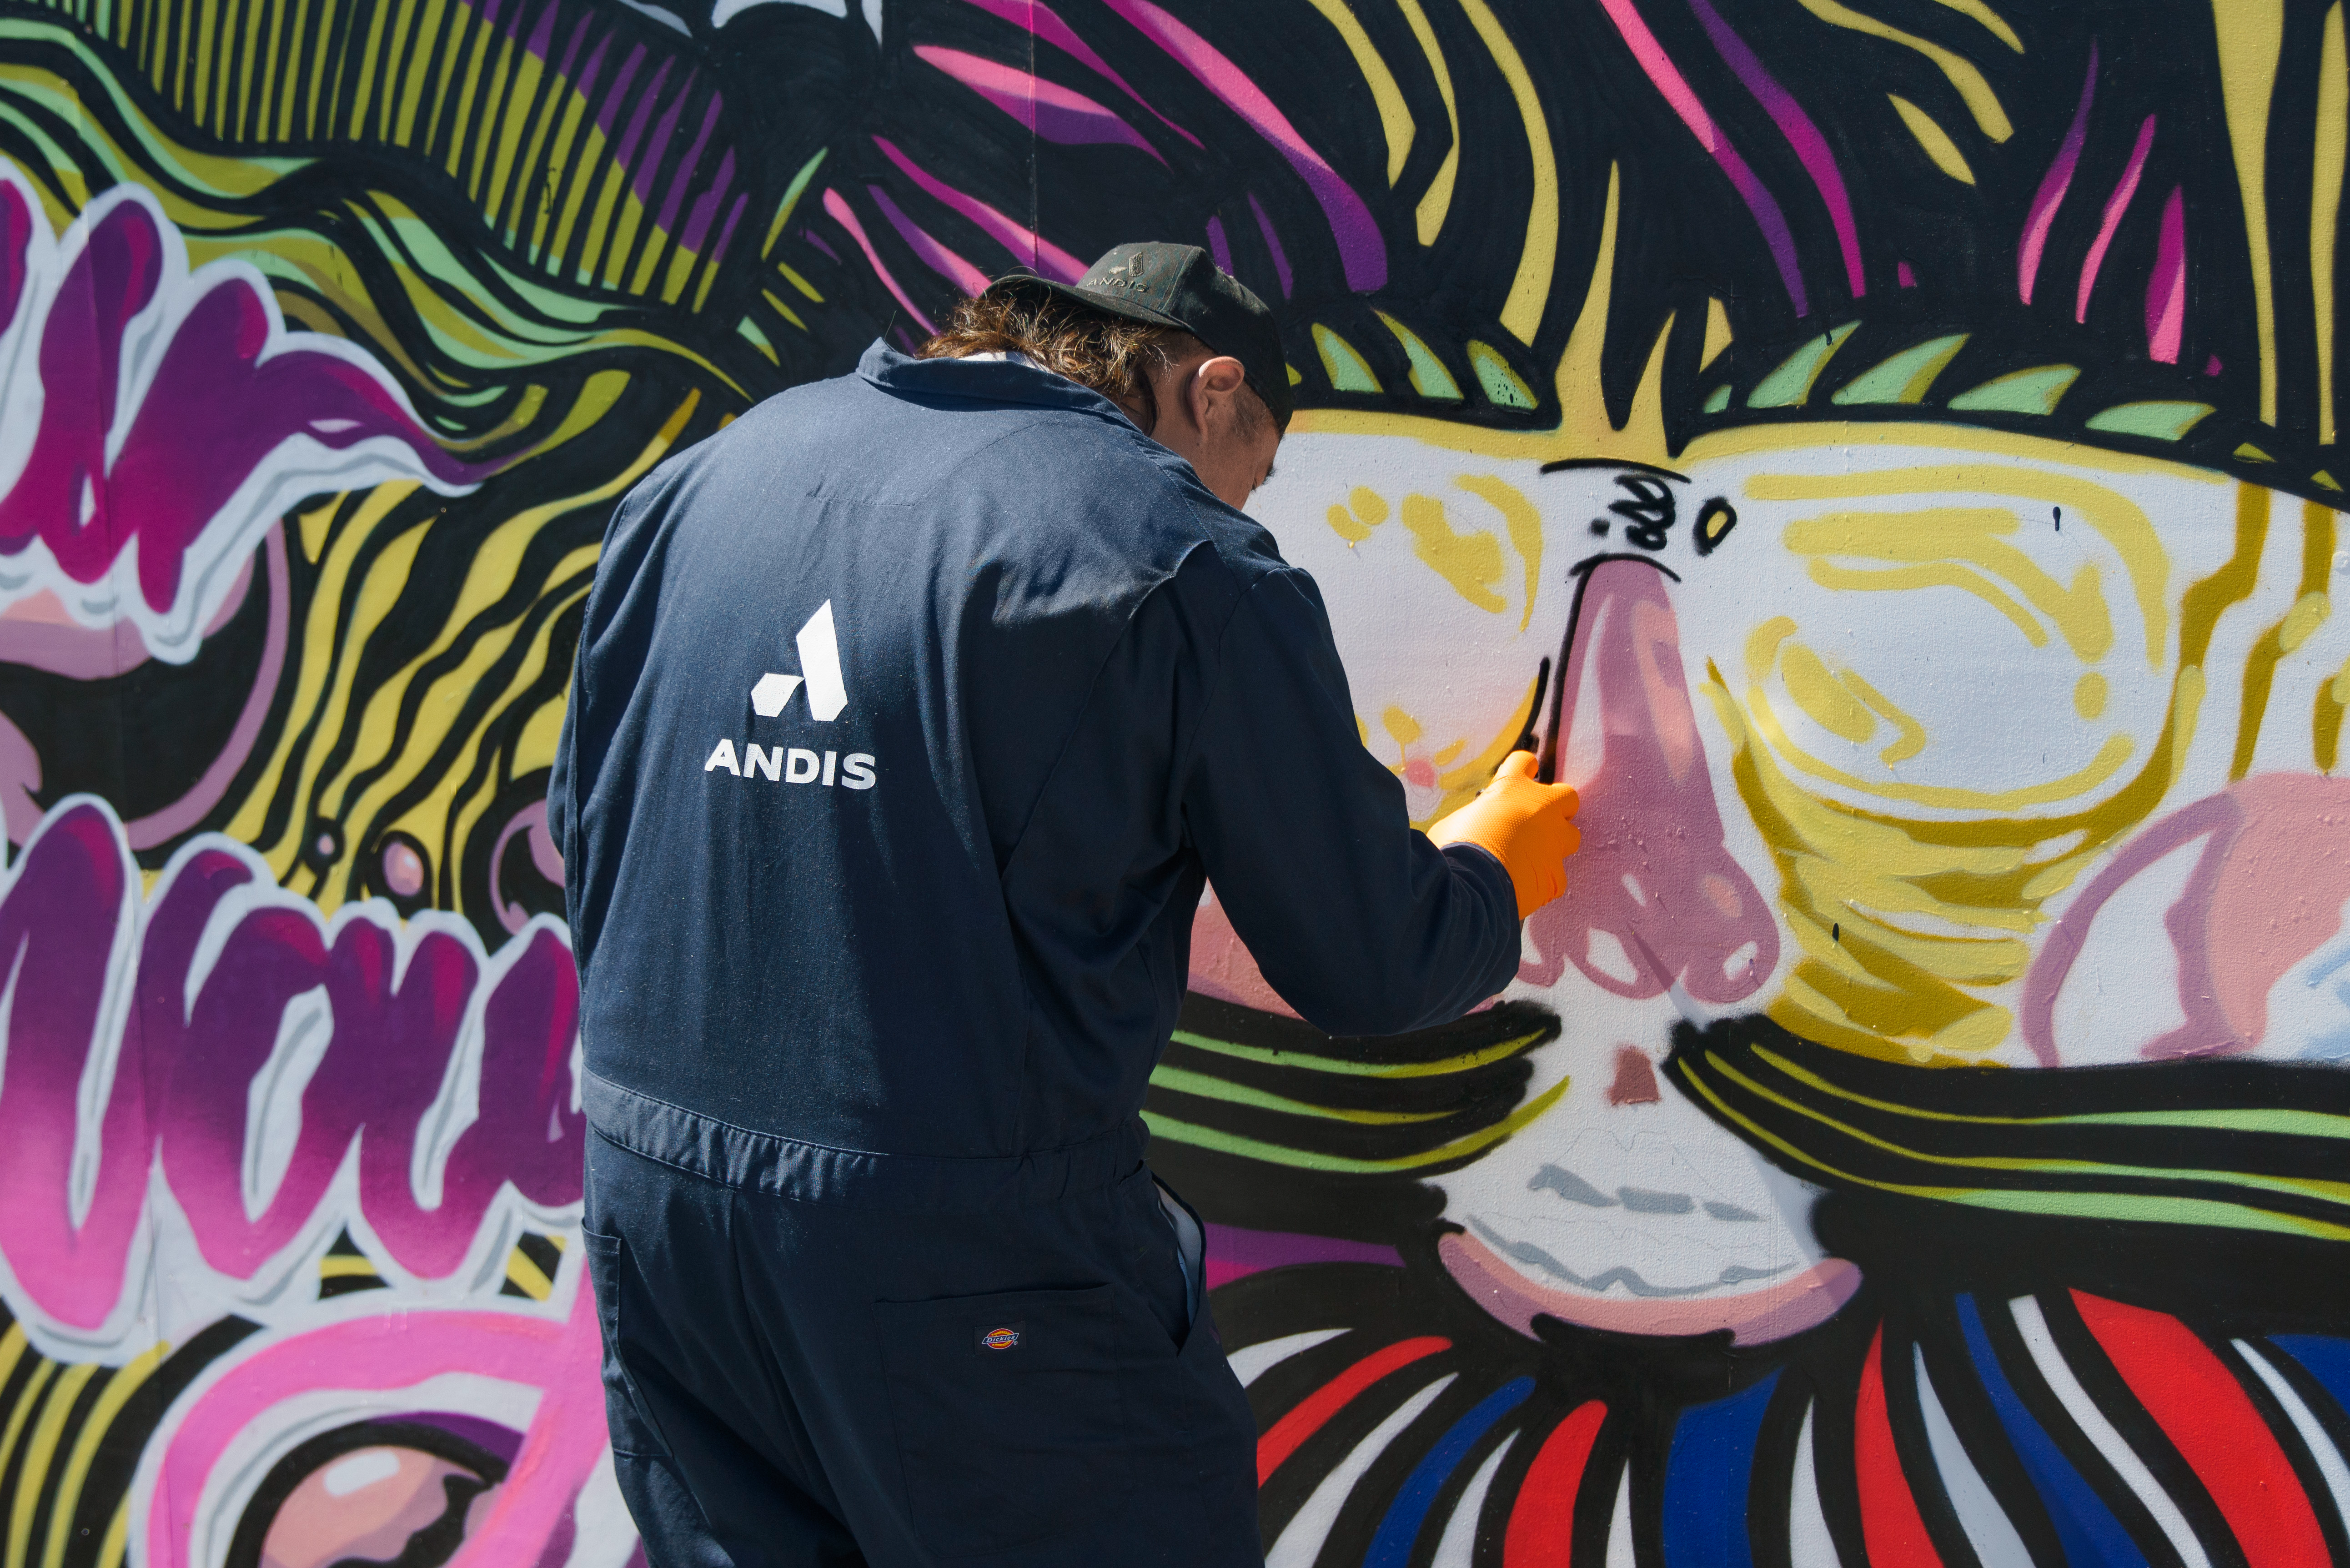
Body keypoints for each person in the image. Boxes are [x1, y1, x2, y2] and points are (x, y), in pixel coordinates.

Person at [550, 241, 1582, 1568]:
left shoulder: (712, 473)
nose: (1244, 496)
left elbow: (594, 832)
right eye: (1257, 463)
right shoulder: (1172, 550)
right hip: (961, 1262)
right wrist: (1497, 867)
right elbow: (1376, 962)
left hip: (658, 1211)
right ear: (1213, 391)